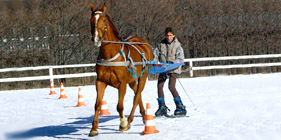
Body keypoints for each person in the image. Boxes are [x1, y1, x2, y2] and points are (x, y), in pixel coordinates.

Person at [153, 27, 186, 117]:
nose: (168, 37)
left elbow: (180, 58)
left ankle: (180, 106)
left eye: (170, 35)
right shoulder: (160, 45)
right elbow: (155, 54)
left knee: (171, 86)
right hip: (163, 68)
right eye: (167, 35)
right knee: (159, 86)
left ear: (173, 35)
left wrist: (173, 63)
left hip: (173, 69)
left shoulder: (177, 45)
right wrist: (155, 61)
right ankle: (162, 106)